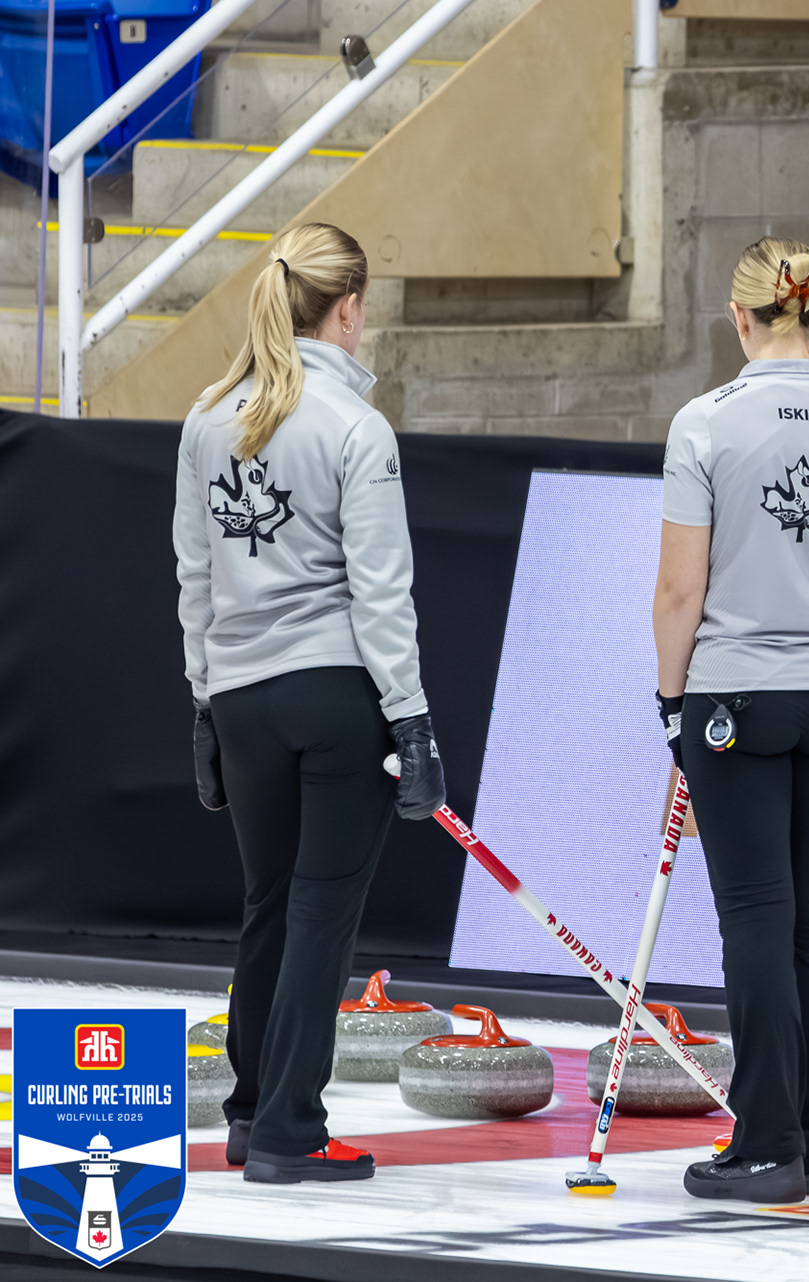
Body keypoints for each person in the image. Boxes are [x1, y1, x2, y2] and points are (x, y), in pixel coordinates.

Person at [175, 222, 445, 1185]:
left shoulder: (207, 418)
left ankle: (254, 1115)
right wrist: (411, 721)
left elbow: (195, 578)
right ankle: (291, 1129)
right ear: (350, 309)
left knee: (268, 907)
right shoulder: (357, 428)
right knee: (320, 916)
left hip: (243, 698)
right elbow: (382, 594)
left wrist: (204, 706)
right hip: (335, 695)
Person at [654, 236, 809, 1204]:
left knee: (758, 917)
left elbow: (680, 590)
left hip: (737, 694)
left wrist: (671, 703)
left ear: (739, 317)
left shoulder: (704, 423)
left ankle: (767, 1146)